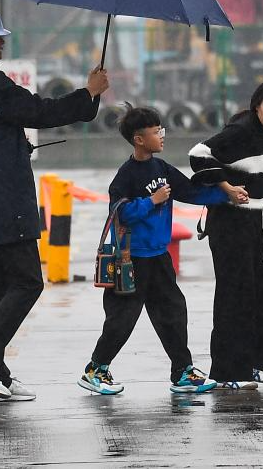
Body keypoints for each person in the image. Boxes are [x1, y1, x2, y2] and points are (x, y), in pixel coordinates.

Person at [0, 3, 110, 402]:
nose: (1, 43)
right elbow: (41, 112)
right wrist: (90, 93)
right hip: (5, 200)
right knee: (28, 281)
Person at [78, 105, 247, 395]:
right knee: (122, 319)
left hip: (159, 257)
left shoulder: (162, 168)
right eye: (156, 132)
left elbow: (190, 191)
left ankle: (182, 372)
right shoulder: (126, 176)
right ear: (139, 139)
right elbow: (119, 213)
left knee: (173, 312)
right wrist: (152, 201)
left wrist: (226, 193)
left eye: (161, 130)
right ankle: (96, 370)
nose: (162, 136)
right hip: (132, 260)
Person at [189, 79, 263, 389]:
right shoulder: (240, 131)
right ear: (257, 105)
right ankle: (227, 372)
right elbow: (198, 155)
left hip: (261, 223)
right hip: (230, 224)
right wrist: (226, 187)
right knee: (235, 297)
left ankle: (254, 364)